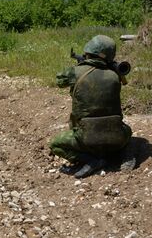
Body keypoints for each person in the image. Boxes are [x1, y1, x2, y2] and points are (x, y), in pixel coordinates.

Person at [49, 35, 135, 178]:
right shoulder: (115, 74)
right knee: (127, 130)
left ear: (88, 51)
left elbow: (60, 81)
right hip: (116, 137)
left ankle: (91, 161)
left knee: (55, 144)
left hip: (87, 139)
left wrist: (79, 67)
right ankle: (121, 153)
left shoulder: (75, 72)